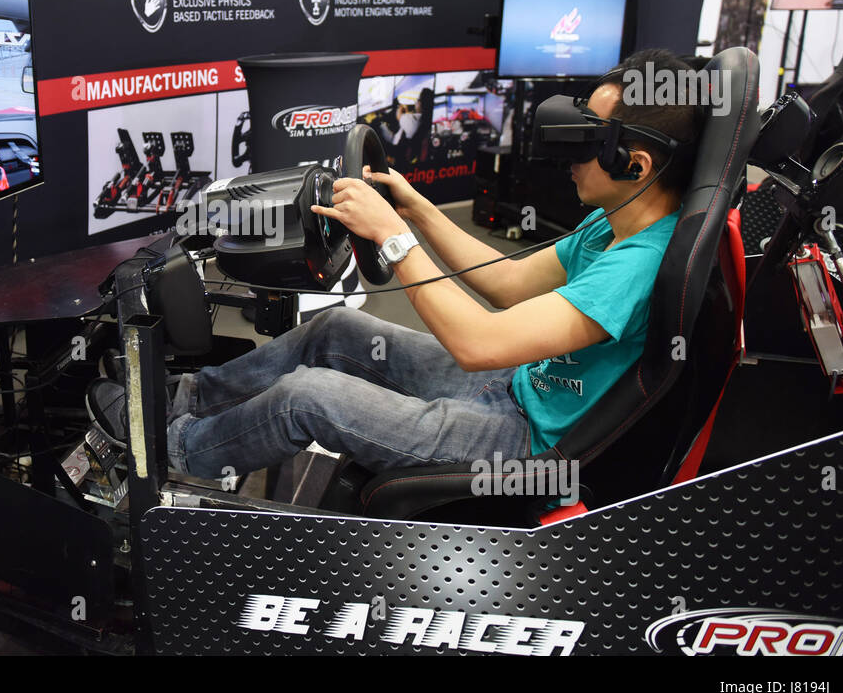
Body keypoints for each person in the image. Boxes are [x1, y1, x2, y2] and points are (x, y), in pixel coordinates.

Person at [87, 49, 702, 479]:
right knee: (334, 331)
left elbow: (478, 343)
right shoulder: (613, 224)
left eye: (588, 140)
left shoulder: (637, 270)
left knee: (310, 397)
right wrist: (415, 210)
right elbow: (509, 284)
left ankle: (171, 451)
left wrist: (392, 240)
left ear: (636, 165)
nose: (569, 155)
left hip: (530, 447)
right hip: (520, 387)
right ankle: (184, 397)